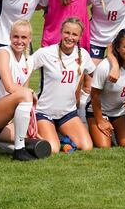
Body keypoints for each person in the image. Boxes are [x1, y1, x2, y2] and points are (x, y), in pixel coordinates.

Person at [31, 17, 95, 154]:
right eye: (67, 32)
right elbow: (25, 69)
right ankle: (33, 133)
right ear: (61, 32)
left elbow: (95, 74)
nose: (70, 37)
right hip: (44, 112)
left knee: (86, 146)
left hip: (67, 112)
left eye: (74, 34)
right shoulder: (45, 53)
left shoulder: (83, 55)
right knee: (53, 149)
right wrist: (25, 91)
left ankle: (59, 135)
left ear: (80, 37)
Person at [0, 19, 37, 161]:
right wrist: (30, 92)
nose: (19, 41)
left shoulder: (30, 60)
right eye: (15, 36)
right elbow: (10, 87)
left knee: (32, 138)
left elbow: (23, 94)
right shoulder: (3, 52)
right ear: (9, 37)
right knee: (25, 94)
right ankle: (19, 151)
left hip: (6, 118)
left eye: (24, 37)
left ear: (30, 39)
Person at [87, 29, 125, 148]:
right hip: (98, 111)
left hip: (119, 111)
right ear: (118, 48)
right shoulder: (105, 67)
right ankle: (88, 125)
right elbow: (94, 95)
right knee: (104, 146)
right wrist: (100, 120)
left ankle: (115, 131)